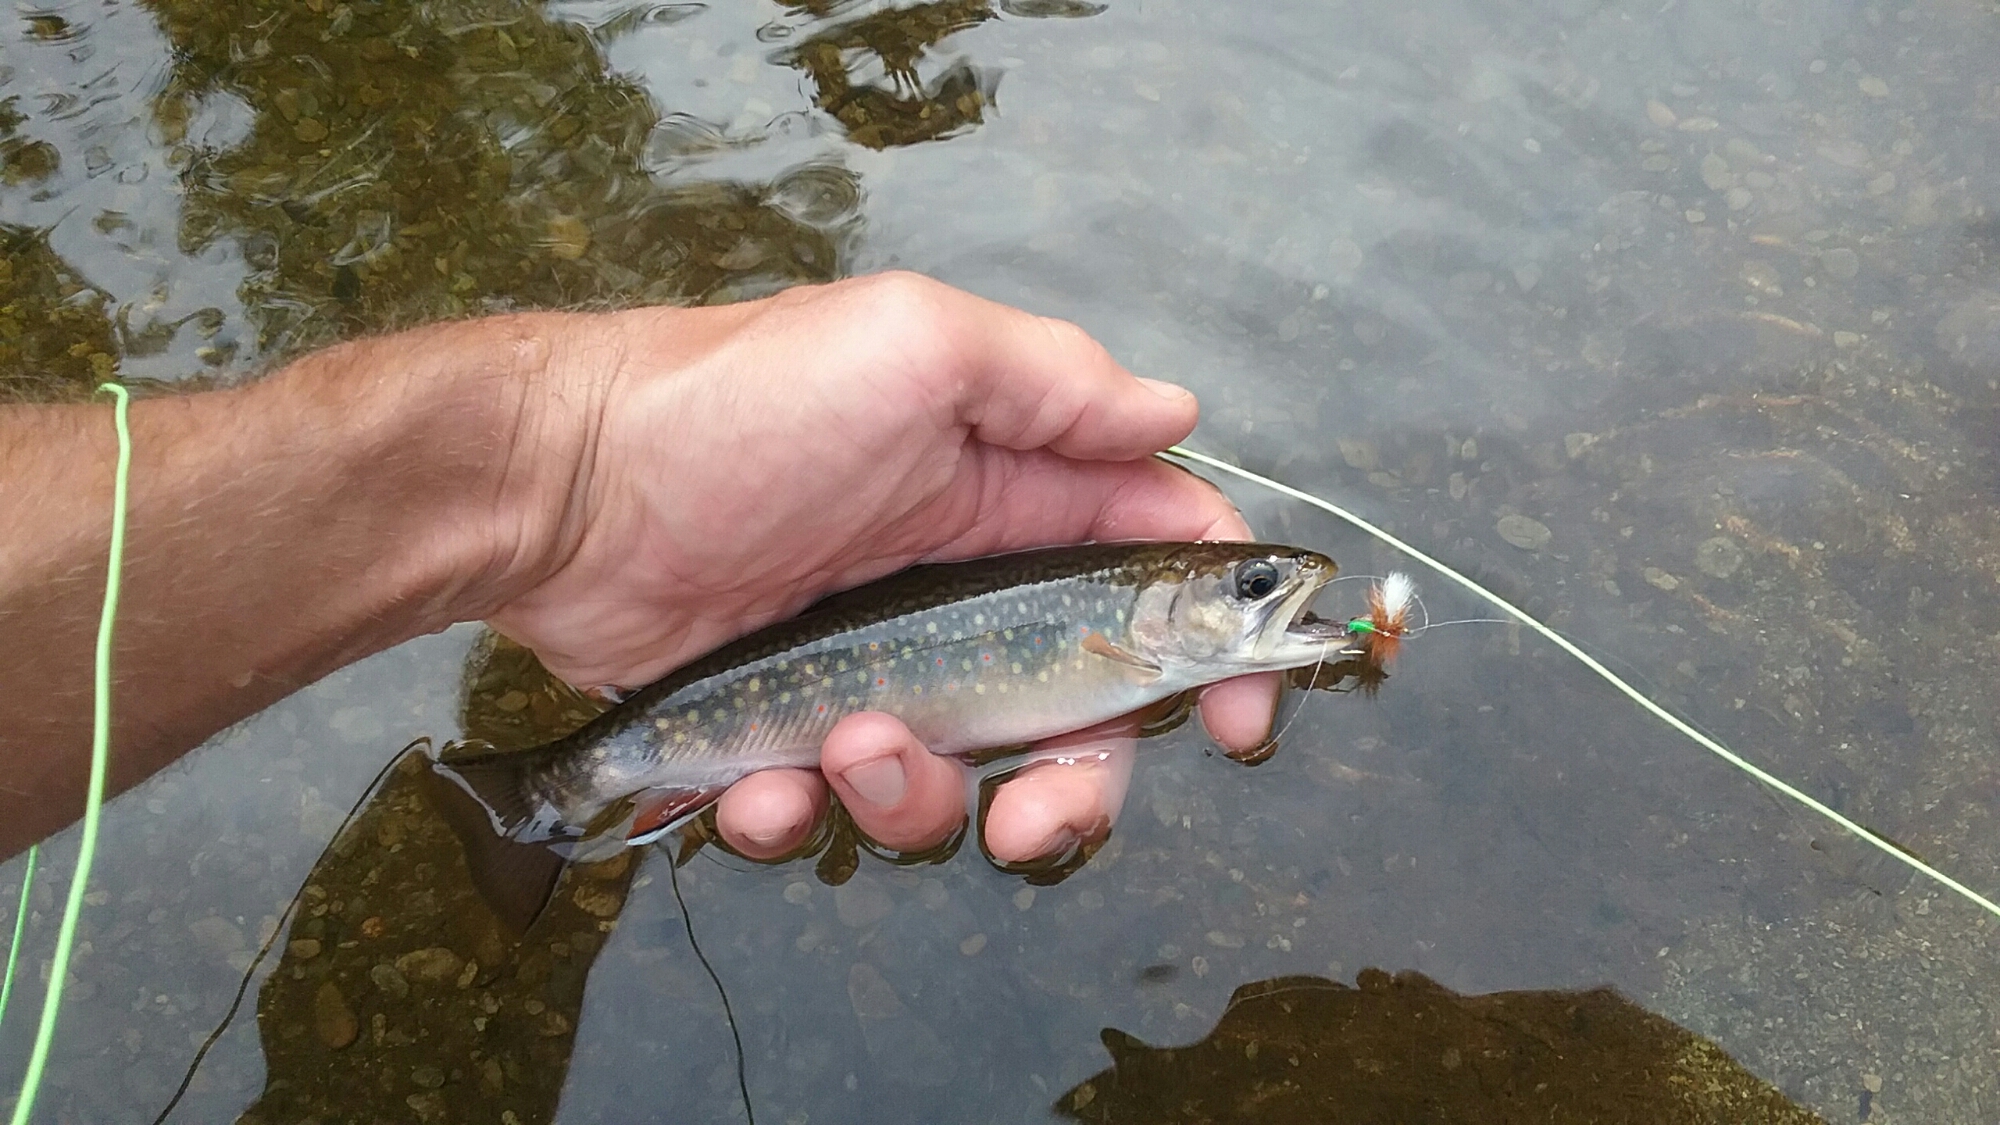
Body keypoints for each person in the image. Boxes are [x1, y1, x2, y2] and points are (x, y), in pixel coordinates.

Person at [0, 272, 1278, 864]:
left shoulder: (1129, 620)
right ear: (1162, 605)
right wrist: (564, 476)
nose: (1270, 600)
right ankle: (546, 798)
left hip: (748, 686)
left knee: (815, 789)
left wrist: (565, 481)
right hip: (737, 689)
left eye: (1256, 591)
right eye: (1251, 590)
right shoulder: (1122, 632)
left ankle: (543, 801)